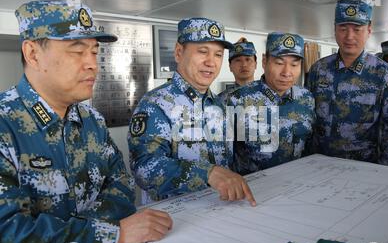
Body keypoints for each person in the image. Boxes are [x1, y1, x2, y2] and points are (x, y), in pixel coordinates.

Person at [0, 0, 172, 243]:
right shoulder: (5, 124)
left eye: (94, 51)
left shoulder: (91, 120)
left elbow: (121, 185)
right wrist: (107, 236)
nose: (92, 64)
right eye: (77, 50)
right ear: (32, 53)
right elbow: (8, 231)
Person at [128, 17, 256, 206]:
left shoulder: (218, 105)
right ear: (179, 53)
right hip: (176, 219)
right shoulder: (156, 104)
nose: (211, 62)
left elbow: (227, 162)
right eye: (203, 52)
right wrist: (207, 173)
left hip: (220, 208)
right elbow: (144, 169)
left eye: (218, 55)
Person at [306, 0, 388, 167]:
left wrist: (385, 173)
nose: (349, 36)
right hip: (320, 166)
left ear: (369, 30)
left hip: (365, 169)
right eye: (343, 29)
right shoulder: (318, 69)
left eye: (357, 29)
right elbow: (309, 120)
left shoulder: (384, 75)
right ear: (334, 29)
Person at [227, 32, 315, 174]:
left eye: (294, 64)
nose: (287, 72)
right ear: (264, 61)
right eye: (279, 63)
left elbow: (310, 147)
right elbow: (224, 158)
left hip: (297, 185)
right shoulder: (238, 100)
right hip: (254, 189)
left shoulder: (306, 98)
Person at [218, 37, 257, 104]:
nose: (244, 64)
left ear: (255, 64)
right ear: (230, 66)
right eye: (238, 60)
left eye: (248, 59)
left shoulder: (271, 96)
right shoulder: (220, 101)